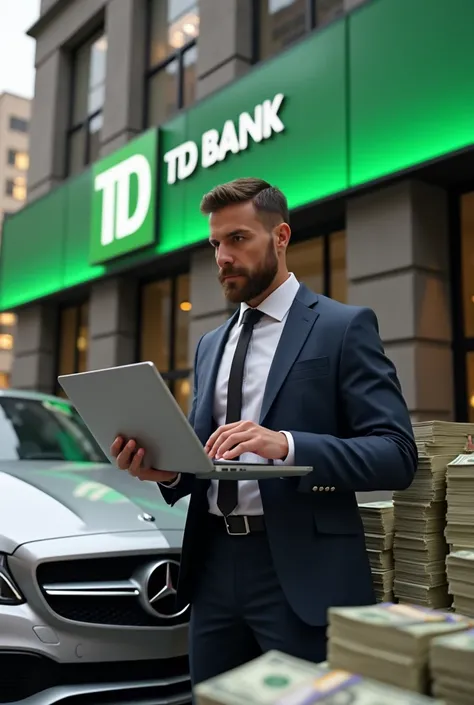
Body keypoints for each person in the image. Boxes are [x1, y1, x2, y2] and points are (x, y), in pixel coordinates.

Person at [111, 177, 417, 685]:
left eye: (238, 239)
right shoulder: (211, 343)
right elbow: (202, 462)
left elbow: (395, 454)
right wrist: (163, 471)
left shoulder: (343, 327)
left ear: (280, 237)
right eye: (215, 244)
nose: (222, 257)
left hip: (300, 573)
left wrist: (288, 445)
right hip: (212, 570)